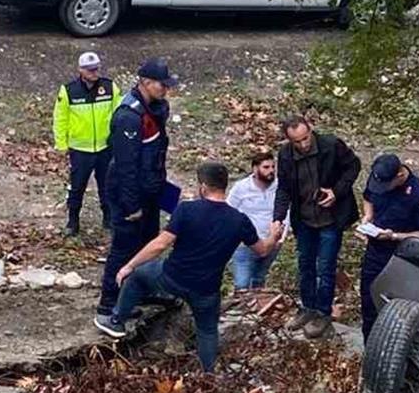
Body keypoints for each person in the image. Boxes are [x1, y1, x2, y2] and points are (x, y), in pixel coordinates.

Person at [96, 163, 276, 371]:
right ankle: (208, 375)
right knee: (207, 331)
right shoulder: (239, 220)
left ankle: (117, 320)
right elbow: (262, 250)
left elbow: (160, 244)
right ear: (224, 186)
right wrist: (273, 234)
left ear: (203, 186)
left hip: (172, 278)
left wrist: (128, 265)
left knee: (138, 277)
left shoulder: (187, 209)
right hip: (206, 290)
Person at [97, 58, 176, 331]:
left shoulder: (155, 109)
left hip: (151, 188)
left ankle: (142, 290)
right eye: (161, 85)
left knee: (148, 243)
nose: (166, 89)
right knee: (124, 247)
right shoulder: (128, 117)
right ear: (145, 83)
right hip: (129, 194)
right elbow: (126, 167)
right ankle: (107, 306)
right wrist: (132, 205)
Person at [270, 116, 361, 339]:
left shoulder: (331, 145)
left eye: (305, 138)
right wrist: (278, 218)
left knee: (326, 267)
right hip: (304, 218)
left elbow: (353, 166)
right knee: (305, 264)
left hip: (331, 217)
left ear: (311, 130)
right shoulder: (286, 156)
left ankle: (323, 312)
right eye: (297, 141)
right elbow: (283, 189)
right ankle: (308, 307)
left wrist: (336, 191)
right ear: (289, 140)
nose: (303, 144)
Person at [357, 154, 419, 338]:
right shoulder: (379, 178)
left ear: (400, 175)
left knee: (397, 309)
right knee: (369, 301)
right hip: (375, 252)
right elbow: (368, 197)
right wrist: (367, 218)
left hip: (402, 258)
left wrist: (394, 236)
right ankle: (369, 347)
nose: (383, 190)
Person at [52, 51, 120, 236]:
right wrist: (61, 144)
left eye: (96, 68)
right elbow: (60, 119)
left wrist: (117, 139)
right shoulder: (68, 91)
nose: (94, 72)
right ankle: (73, 222)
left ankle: (108, 219)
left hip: (105, 148)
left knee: (106, 186)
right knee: (77, 187)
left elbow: (118, 114)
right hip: (80, 149)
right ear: (80, 70)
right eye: (90, 70)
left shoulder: (109, 87)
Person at [226, 152, 286, 292]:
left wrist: (280, 238)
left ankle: (256, 310)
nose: (271, 170)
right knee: (242, 284)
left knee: (259, 279)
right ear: (255, 168)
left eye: (273, 167)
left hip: (272, 241)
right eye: (266, 167)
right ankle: (239, 311)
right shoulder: (241, 188)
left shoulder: (280, 187)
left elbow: (286, 210)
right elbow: (229, 211)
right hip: (246, 244)